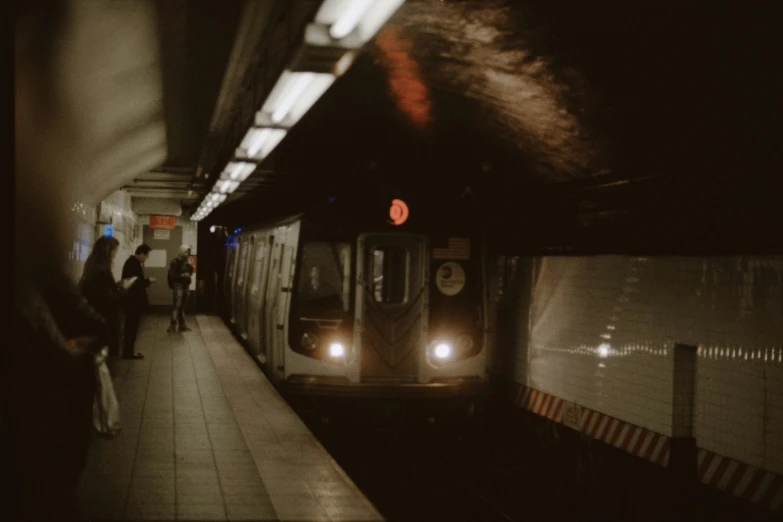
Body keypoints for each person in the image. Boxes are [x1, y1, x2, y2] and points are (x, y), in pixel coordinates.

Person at [79, 237, 123, 357]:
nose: (115, 255)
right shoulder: (101, 272)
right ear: (108, 251)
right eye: (114, 251)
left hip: (94, 322)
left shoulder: (91, 268)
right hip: (103, 324)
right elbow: (108, 301)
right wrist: (122, 290)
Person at [121, 243, 155, 359]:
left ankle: (129, 350)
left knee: (131, 327)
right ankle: (128, 351)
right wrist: (147, 281)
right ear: (141, 254)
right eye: (146, 256)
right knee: (131, 327)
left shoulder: (132, 263)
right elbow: (135, 283)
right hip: (133, 302)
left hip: (132, 301)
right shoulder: (133, 264)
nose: (146, 258)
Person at [167, 244, 194, 333]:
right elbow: (172, 275)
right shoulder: (174, 262)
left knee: (182, 307)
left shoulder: (187, 261)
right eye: (186, 252)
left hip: (186, 285)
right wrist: (182, 276)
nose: (187, 254)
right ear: (181, 251)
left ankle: (182, 325)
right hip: (178, 286)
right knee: (176, 306)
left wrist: (190, 265)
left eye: (188, 252)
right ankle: (172, 325)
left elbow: (190, 272)